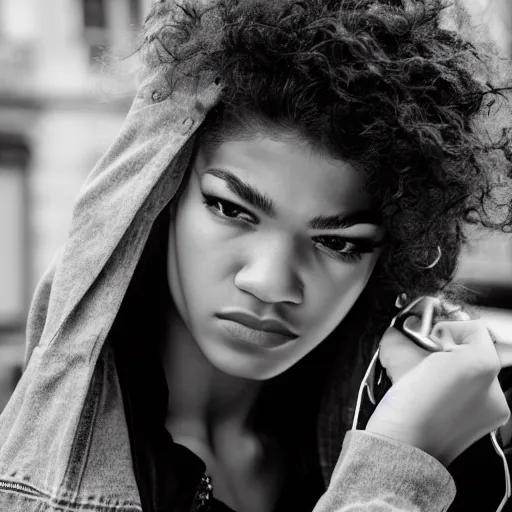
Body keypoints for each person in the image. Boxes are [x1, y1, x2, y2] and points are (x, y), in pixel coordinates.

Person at [0, 0, 511, 511]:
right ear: (162, 195)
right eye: (230, 208)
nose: (269, 282)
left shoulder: (447, 417)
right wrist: (401, 470)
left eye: (338, 243)